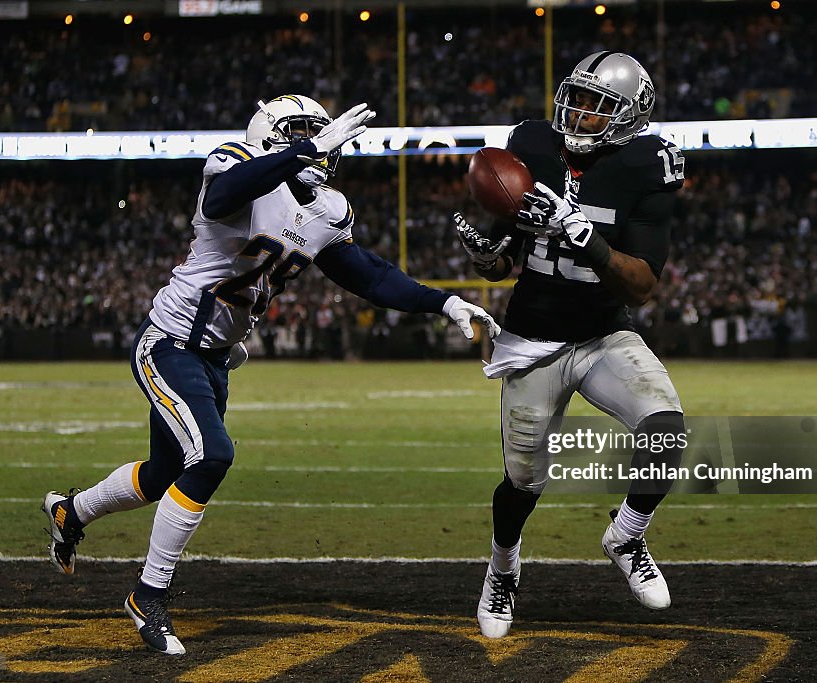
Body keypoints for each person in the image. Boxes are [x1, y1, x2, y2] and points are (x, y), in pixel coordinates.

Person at [42, 95, 500, 655]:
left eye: (318, 131)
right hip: (170, 343)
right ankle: (147, 594)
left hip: (214, 357)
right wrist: (305, 150)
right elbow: (223, 197)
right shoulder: (236, 163)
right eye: (299, 132)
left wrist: (444, 302)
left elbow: (371, 277)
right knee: (211, 456)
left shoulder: (329, 209)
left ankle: (71, 511)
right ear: (270, 135)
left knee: (165, 473)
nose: (315, 141)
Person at [453, 52, 687, 638]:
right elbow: (507, 261)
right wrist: (489, 257)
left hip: (604, 333)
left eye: (597, 104)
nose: (579, 113)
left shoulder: (647, 164)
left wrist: (589, 241)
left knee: (666, 425)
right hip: (532, 338)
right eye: (576, 99)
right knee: (524, 480)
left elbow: (643, 284)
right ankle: (503, 567)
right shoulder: (531, 145)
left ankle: (627, 535)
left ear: (630, 114)